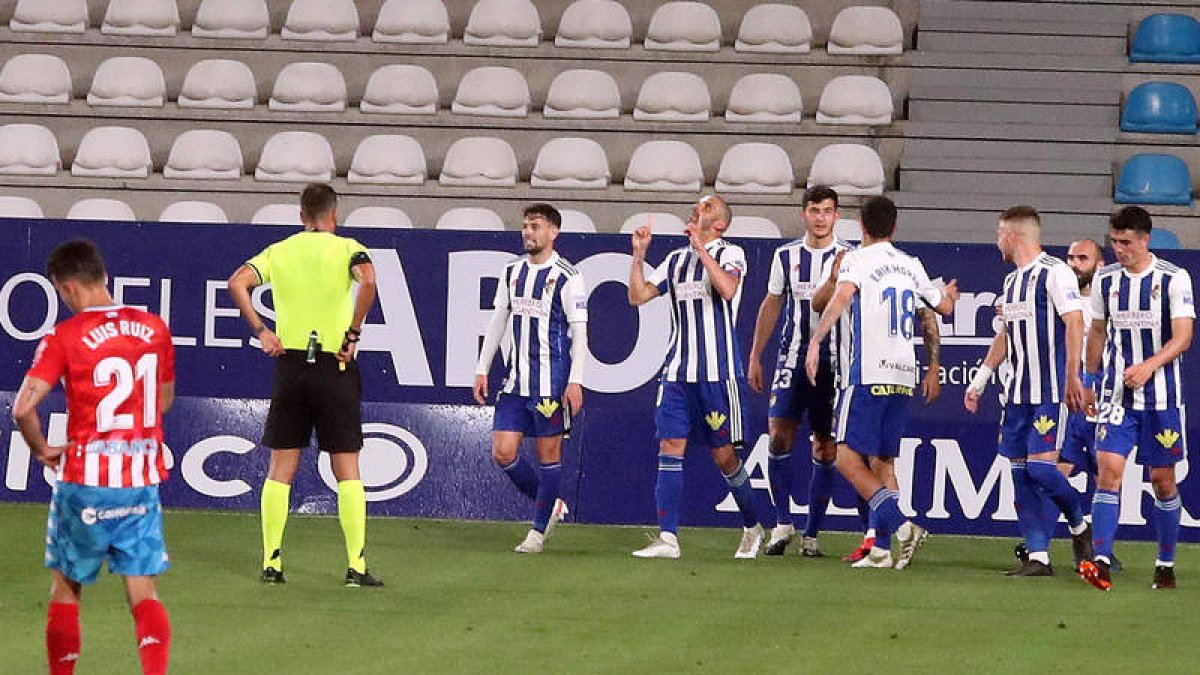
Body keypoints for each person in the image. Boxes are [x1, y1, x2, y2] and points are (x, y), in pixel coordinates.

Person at [12, 239, 174, 675]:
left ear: (67, 289)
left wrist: (42, 449)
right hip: (139, 478)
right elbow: (163, 399)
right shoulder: (154, 328)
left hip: (85, 482)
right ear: (103, 277)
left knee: (67, 588)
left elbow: (23, 408)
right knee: (143, 592)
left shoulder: (65, 336)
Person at [227, 183, 382, 587]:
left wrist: (262, 330)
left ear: (301, 217)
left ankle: (272, 563)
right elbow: (368, 280)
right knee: (346, 468)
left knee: (281, 468)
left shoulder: (280, 251)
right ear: (335, 215)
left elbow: (236, 283)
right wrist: (352, 333)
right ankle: (356, 566)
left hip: (291, 365)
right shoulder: (348, 247)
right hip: (335, 365)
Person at [804, 196, 958, 570]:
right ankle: (882, 550)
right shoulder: (910, 265)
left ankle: (902, 528)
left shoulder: (857, 259)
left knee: (843, 455)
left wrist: (816, 340)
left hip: (869, 372)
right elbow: (944, 308)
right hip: (903, 374)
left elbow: (840, 299)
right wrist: (948, 295)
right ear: (894, 227)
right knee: (883, 460)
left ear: (861, 226)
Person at [627, 195, 763, 559]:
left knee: (725, 457)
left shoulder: (731, 253)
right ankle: (668, 538)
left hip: (718, 374)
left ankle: (753, 525)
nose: (697, 209)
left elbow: (729, 289)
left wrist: (702, 249)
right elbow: (637, 297)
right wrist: (639, 255)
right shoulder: (674, 260)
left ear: (720, 223)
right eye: (697, 205)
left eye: (706, 207)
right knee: (670, 446)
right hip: (677, 372)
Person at [963, 206, 1092, 577]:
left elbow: (1075, 321)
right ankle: (1039, 557)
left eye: (999, 233)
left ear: (1012, 235)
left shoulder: (1055, 273)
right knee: (1019, 474)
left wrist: (1072, 376)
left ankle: (1079, 523)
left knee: (1040, 468)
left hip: (1049, 390)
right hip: (1016, 394)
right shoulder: (1011, 283)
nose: (996, 240)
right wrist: (980, 380)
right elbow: (1004, 335)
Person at [1079, 206, 1194, 591]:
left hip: (1161, 399)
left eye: (1125, 242)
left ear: (1145, 239)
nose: (1118, 249)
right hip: (1116, 397)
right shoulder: (1105, 279)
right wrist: (1089, 379)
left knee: (1162, 480)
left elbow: (1183, 337)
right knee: (1108, 472)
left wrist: (1149, 365)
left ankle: (1165, 563)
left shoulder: (1173, 279)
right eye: (1113, 241)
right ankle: (1100, 561)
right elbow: (1096, 332)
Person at [473, 203, 588, 553]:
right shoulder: (512, 271)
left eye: (535, 226)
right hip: (514, 382)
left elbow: (580, 333)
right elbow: (497, 321)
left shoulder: (569, 276)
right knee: (503, 451)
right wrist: (482, 367)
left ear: (553, 232)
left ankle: (537, 533)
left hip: (551, 383)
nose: (528, 232)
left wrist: (575, 380)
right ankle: (550, 503)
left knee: (548, 455)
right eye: (525, 226)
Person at [747, 186, 853, 557]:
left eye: (827, 211)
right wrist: (756, 354)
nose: (821, 217)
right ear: (803, 214)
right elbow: (772, 305)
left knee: (826, 446)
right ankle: (782, 524)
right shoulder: (786, 256)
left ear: (836, 216)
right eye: (814, 210)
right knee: (778, 438)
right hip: (791, 360)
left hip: (835, 364)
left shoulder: (852, 258)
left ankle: (812, 534)